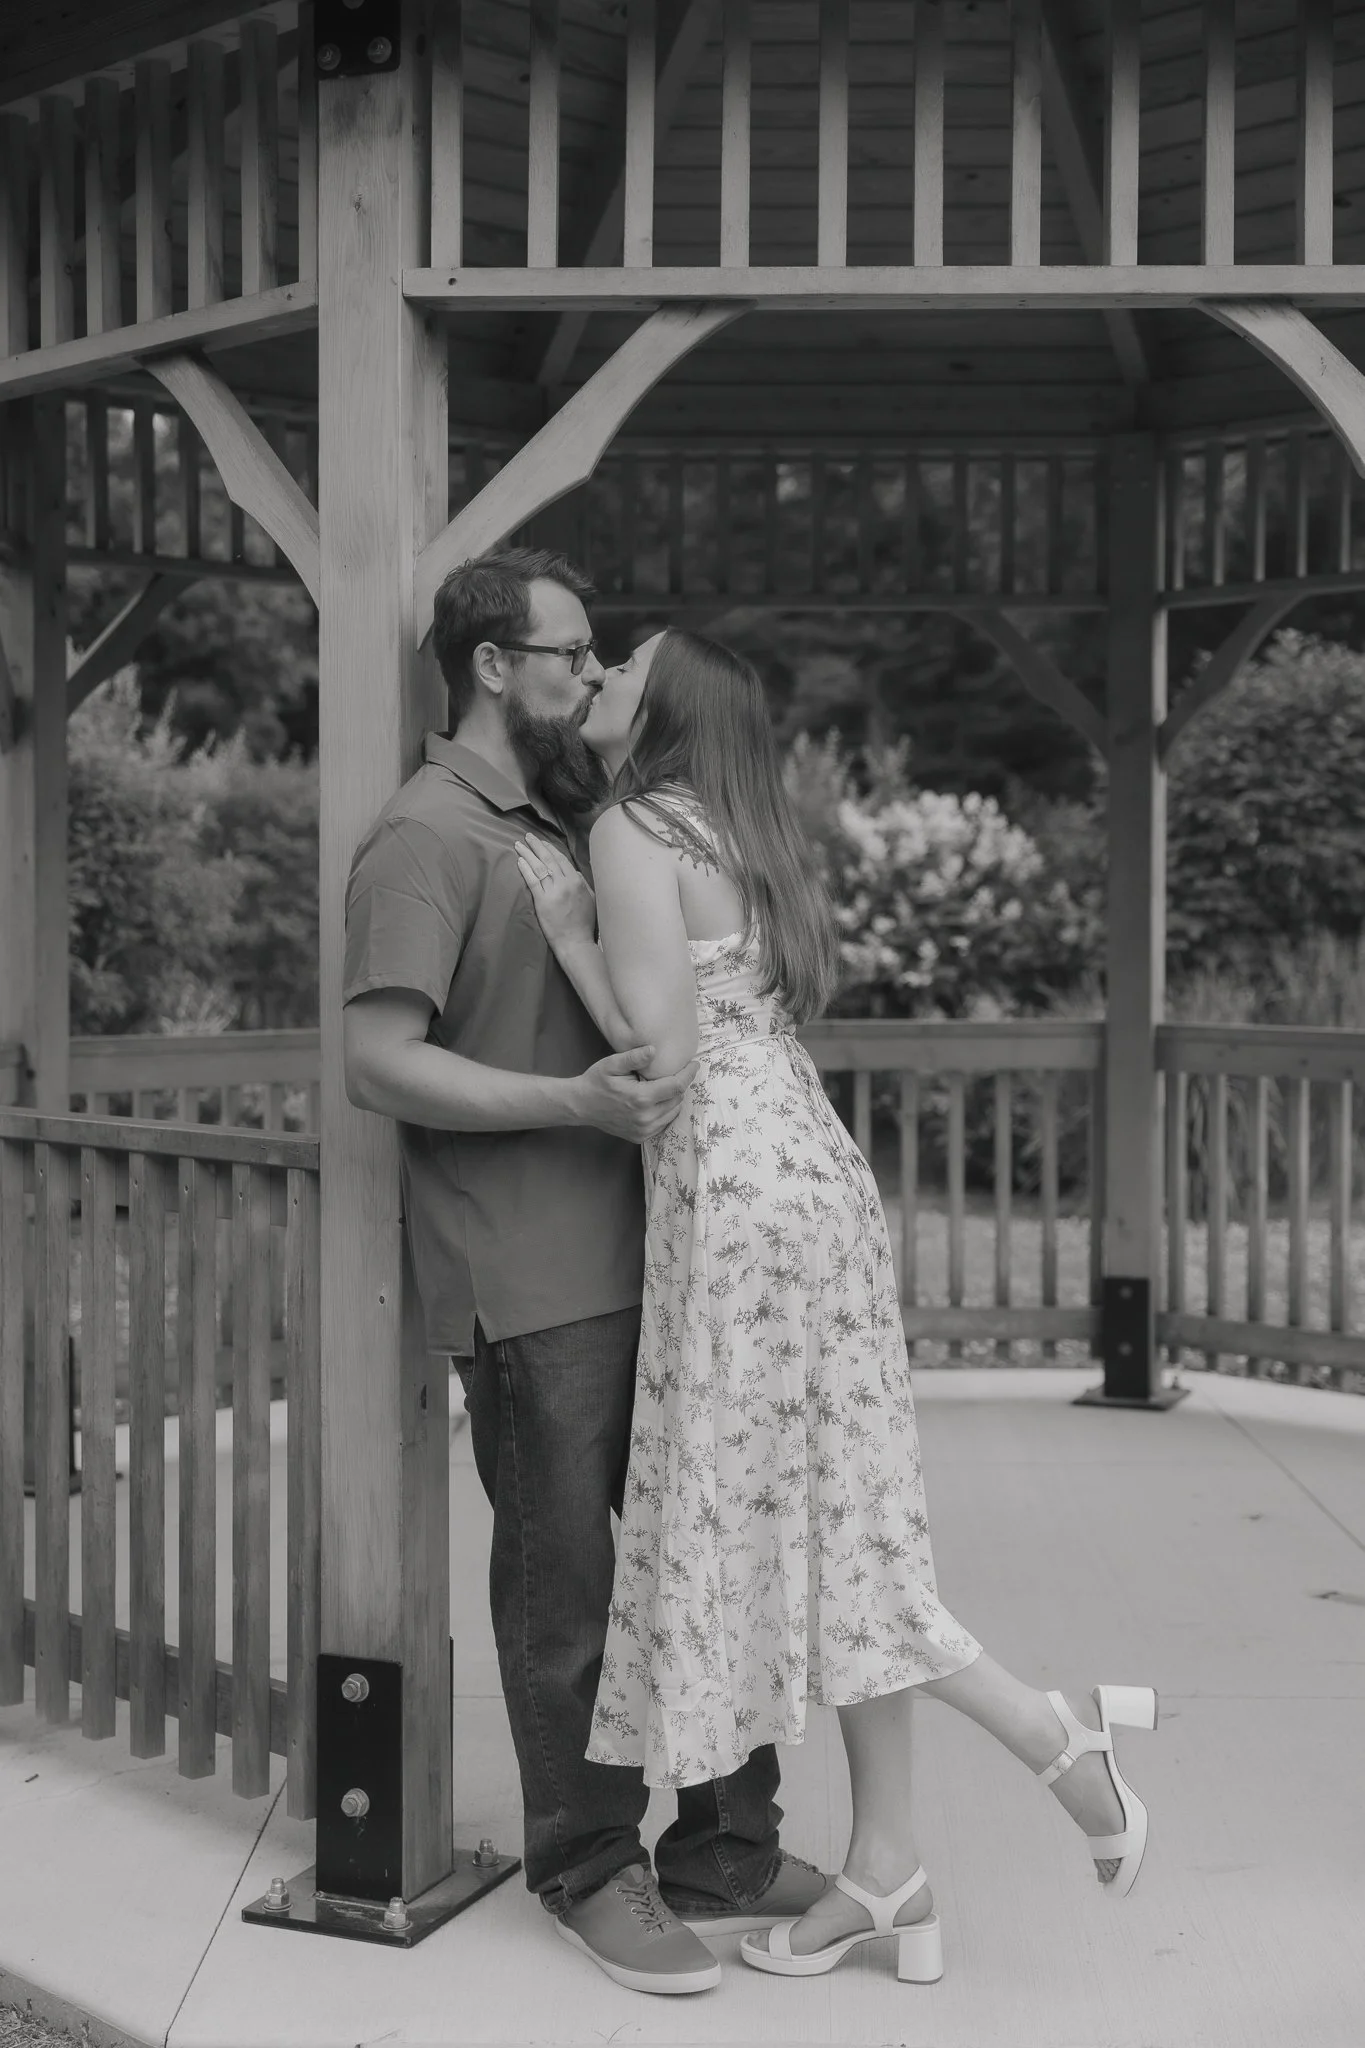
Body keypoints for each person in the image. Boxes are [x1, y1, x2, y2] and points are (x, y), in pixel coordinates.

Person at [512, 626, 1160, 1984]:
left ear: (665, 707)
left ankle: (1055, 1739)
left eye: (626, 662)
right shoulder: (734, 827)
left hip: (740, 1206)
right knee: (846, 1523)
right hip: (814, 1183)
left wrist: (570, 931)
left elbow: (665, 1058)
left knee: (814, 1543)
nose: (608, 672)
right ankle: (889, 1866)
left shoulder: (633, 827)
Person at [340, 551, 831, 1999]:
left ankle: (726, 1849)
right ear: (495, 666)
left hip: (669, 1265)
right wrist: (571, 1107)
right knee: (570, 1596)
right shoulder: (425, 837)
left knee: (708, 1561)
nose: (590, 670)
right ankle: (590, 1866)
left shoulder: (581, 817)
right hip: (532, 1280)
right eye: (571, 652)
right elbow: (376, 1062)